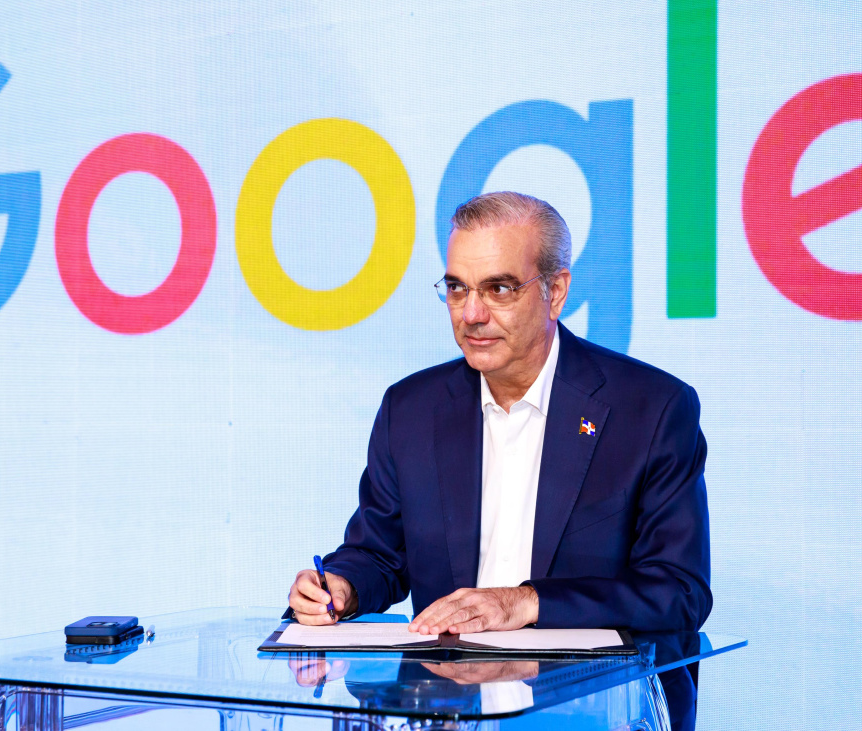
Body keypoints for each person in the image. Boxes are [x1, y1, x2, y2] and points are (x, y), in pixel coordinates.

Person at [287, 191, 711, 634]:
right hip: (446, 677)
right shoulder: (410, 410)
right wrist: (341, 586)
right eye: (457, 288)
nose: (471, 314)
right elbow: (379, 555)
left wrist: (527, 602)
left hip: (587, 678)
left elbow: (679, 591)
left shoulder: (650, 410)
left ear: (555, 292)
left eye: (499, 289)